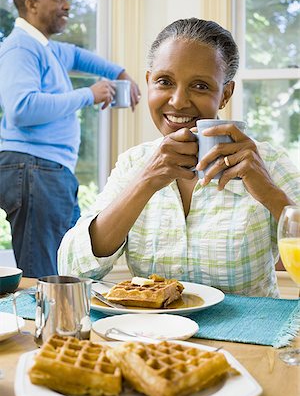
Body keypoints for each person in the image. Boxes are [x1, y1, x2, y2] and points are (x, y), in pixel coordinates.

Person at [58, 17, 300, 297]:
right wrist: (145, 181)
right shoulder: (134, 164)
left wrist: (269, 192)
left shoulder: (265, 161)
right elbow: (71, 269)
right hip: (152, 336)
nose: (177, 101)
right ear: (149, 83)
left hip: (250, 340)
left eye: (200, 86)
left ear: (225, 94)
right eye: (164, 82)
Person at [0, 0, 140, 278]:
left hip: (46, 171)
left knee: (70, 269)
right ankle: (41, 326)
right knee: (45, 277)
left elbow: (79, 57)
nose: (67, 5)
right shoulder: (21, 47)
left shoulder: (45, 47)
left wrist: (120, 73)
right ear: (32, 4)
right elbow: (21, 108)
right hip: (34, 168)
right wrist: (88, 95)